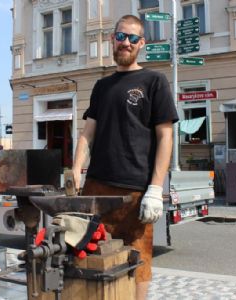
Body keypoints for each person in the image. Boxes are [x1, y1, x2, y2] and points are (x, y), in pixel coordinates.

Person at [72, 15, 179, 300]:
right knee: (89, 255)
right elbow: (88, 132)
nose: (126, 43)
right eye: (121, 37)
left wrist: (155, 189)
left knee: (137, 259)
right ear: (112, 39)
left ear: (141, 44)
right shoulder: (101, 86)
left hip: (134, 190)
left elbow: (165, 136)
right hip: (95, 187)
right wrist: (75, 167)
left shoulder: (154, 81)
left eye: (133, 39)